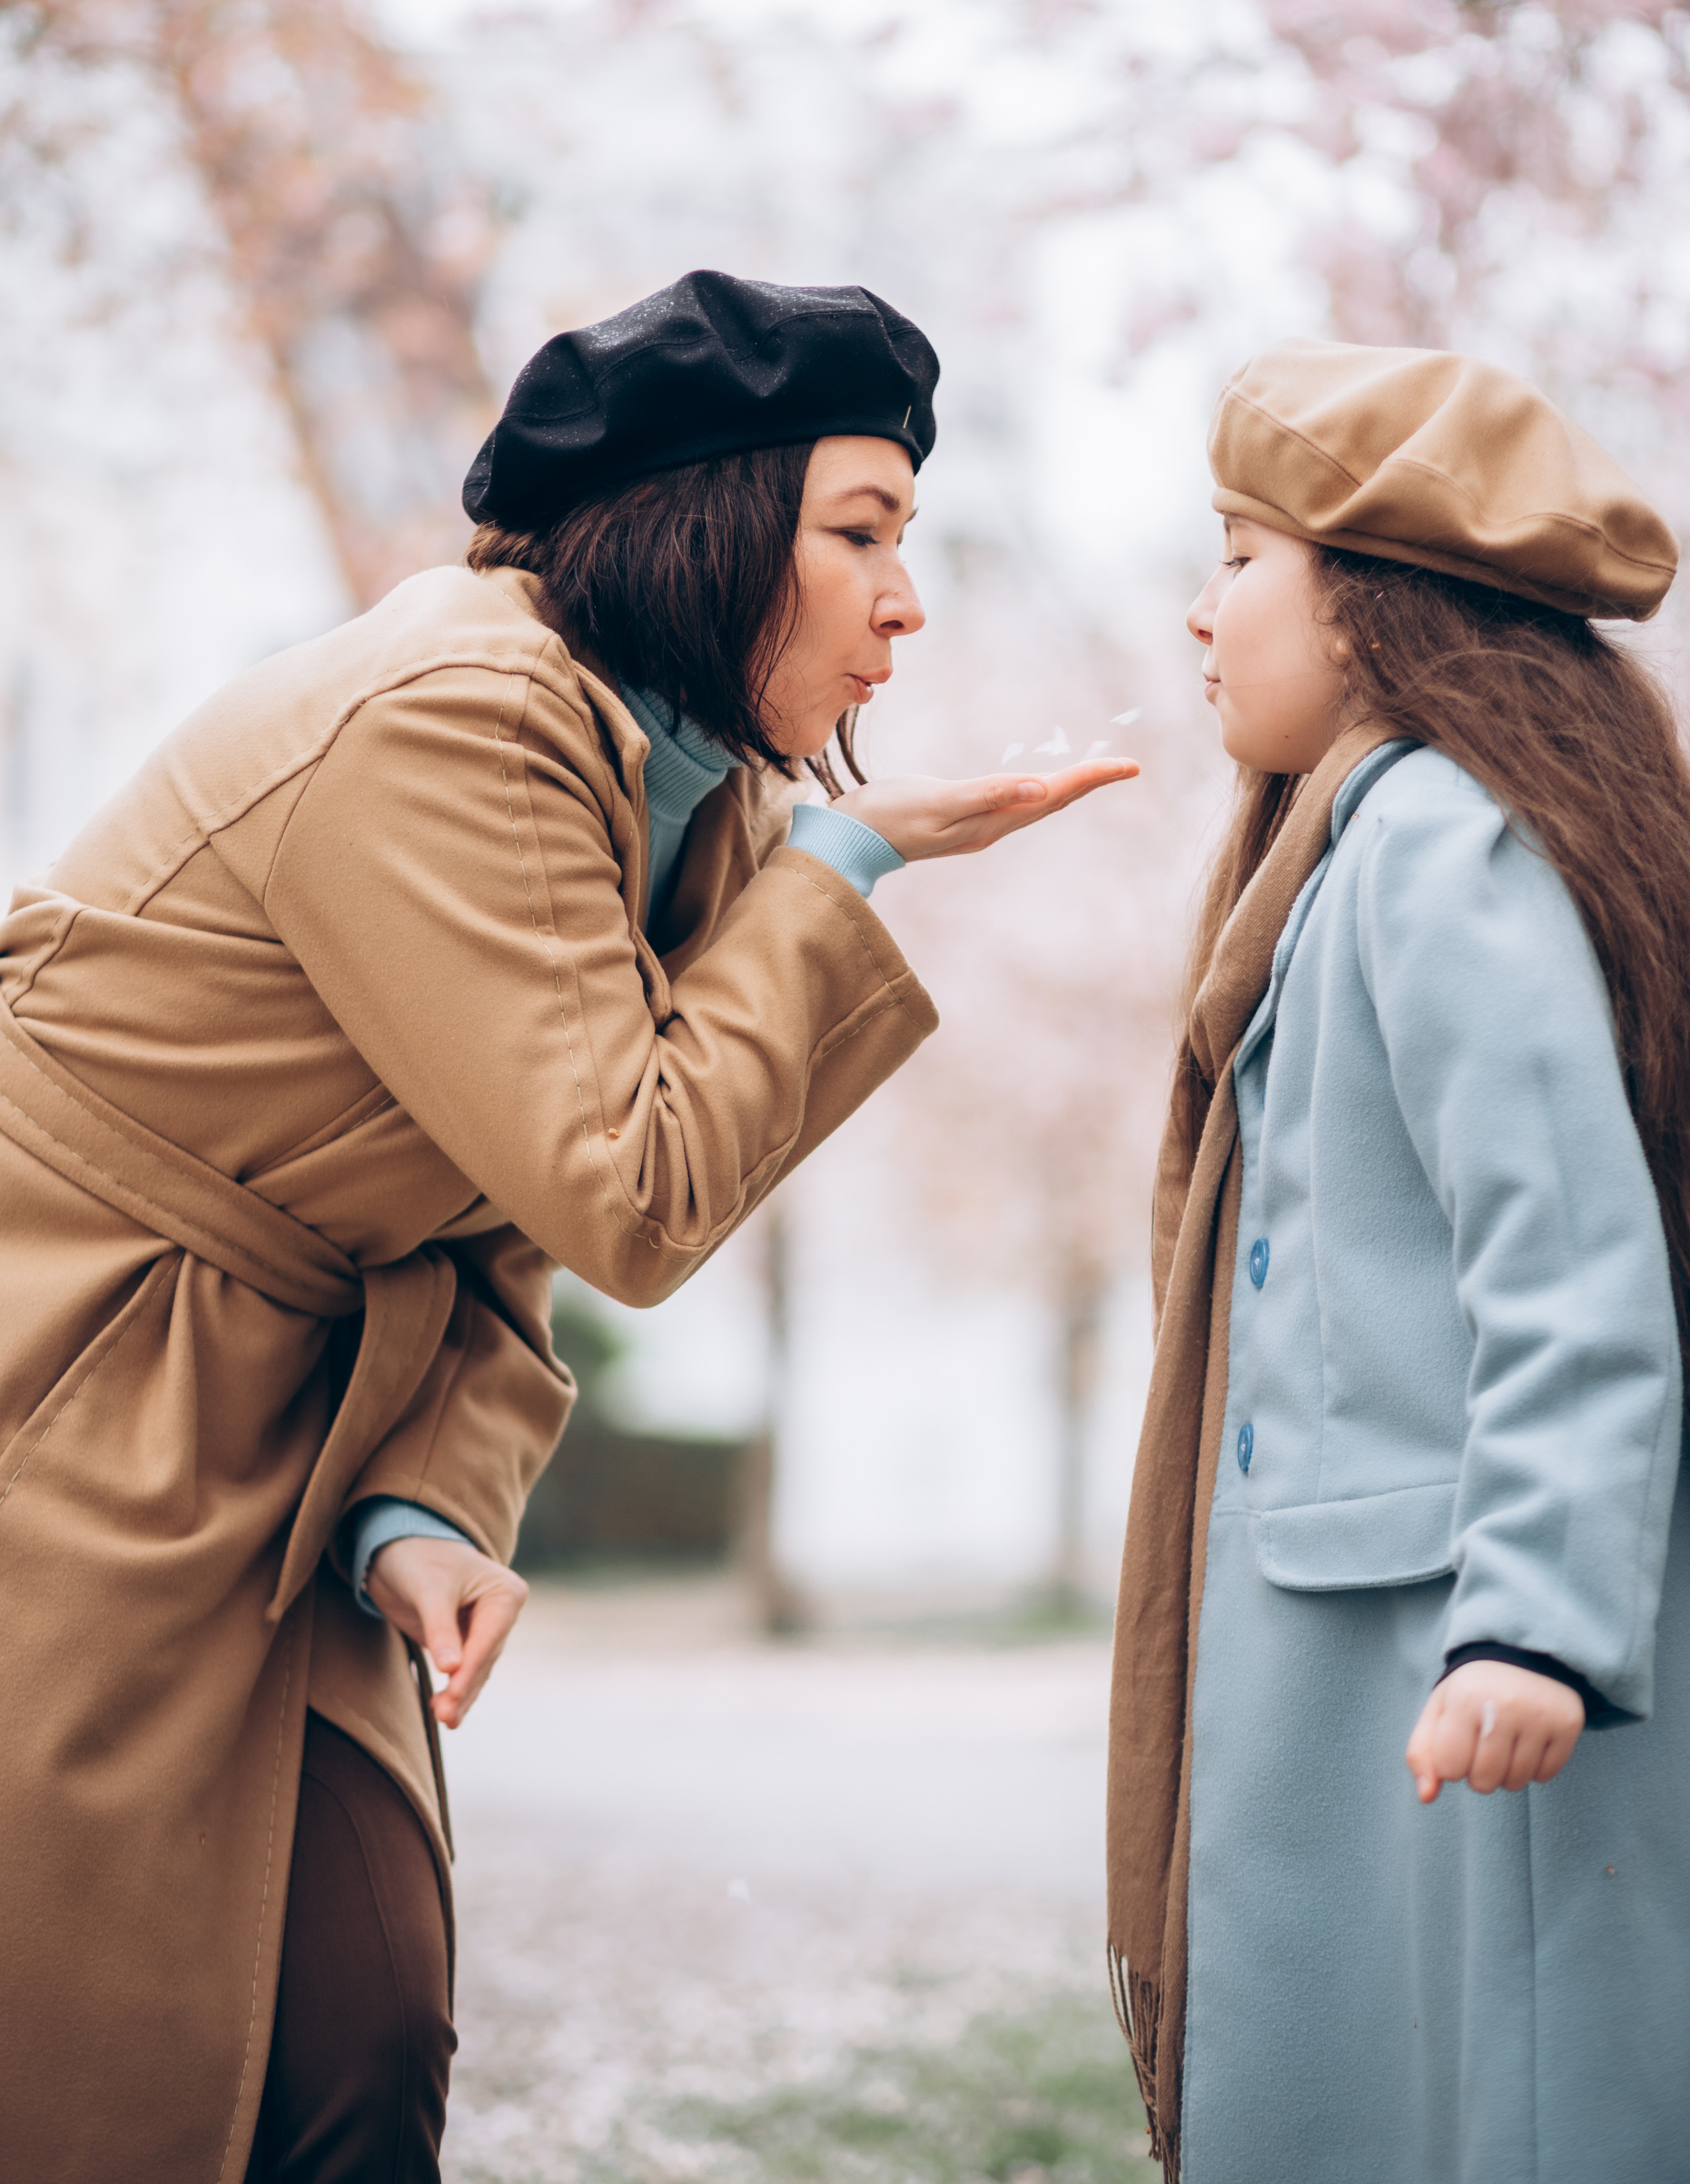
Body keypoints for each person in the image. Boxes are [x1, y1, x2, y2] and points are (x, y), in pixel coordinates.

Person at [0, 270, 1132, 2184]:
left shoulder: (682, 785)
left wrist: (431, 1498)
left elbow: (495, 1197)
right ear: (708, 522)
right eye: (859, 533)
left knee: (362, 2039)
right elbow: (627, 1179)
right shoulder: (463, 710)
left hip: (299, 1444)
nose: (905, 601)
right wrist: (856, 860)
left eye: (909, 542)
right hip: (74, 1390)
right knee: (104, 2064)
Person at [1106, 340, 1690, 2183]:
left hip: (1460, 1658)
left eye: (1239, 558)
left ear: (1370, 602)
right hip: (1373, 1644)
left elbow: (1570, 1257)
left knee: (1491, 2117)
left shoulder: (1439, 844)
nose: (1200, 617)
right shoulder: (1357, 848)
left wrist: (1536, 1617)